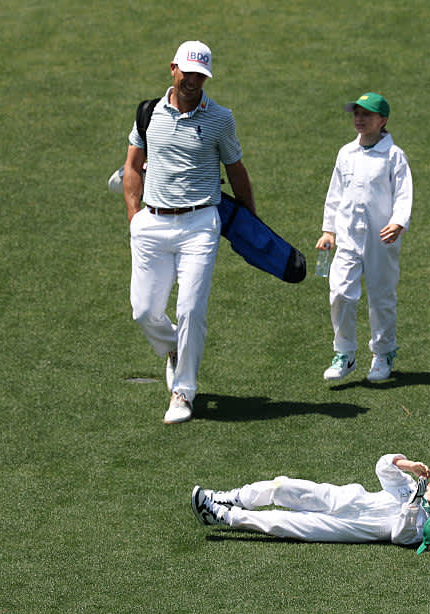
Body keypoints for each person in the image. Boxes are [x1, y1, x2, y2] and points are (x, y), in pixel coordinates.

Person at [122, 40, 256, 423]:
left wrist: (250, 223)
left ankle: (183, 391)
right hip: (152, 223)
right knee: (144, 311)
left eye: (201, 74)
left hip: (199, 224)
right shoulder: (148, 113)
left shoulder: (220, 118)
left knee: (191, 309)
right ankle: (175, 349)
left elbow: (235, 170)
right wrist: (134, 215)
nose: (194, 80)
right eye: (188, 72)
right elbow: (132, 165)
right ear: (173, 69)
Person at [316, 92, 414, 382]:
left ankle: (383, 353)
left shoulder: (394, 156)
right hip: (347, 237)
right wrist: (328, 230)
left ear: (382, 120)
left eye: (366, 114)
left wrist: (398, 222)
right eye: (356, 113)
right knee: (340, 292)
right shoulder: (346, 153)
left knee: (381, 295)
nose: (359, 119)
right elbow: (335, 194)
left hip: (381, 239)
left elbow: (404, 193)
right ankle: (344, 353)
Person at [190, 456, 430, 544]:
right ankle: (228, 498)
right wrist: (407, 465)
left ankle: (220, 515)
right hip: (339, 498)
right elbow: (383, 466)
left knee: (280, 522)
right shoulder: (408, 485)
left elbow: (400, 536)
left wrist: (415, 503)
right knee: (282, 486)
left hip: (343, 529)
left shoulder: (428, 526)